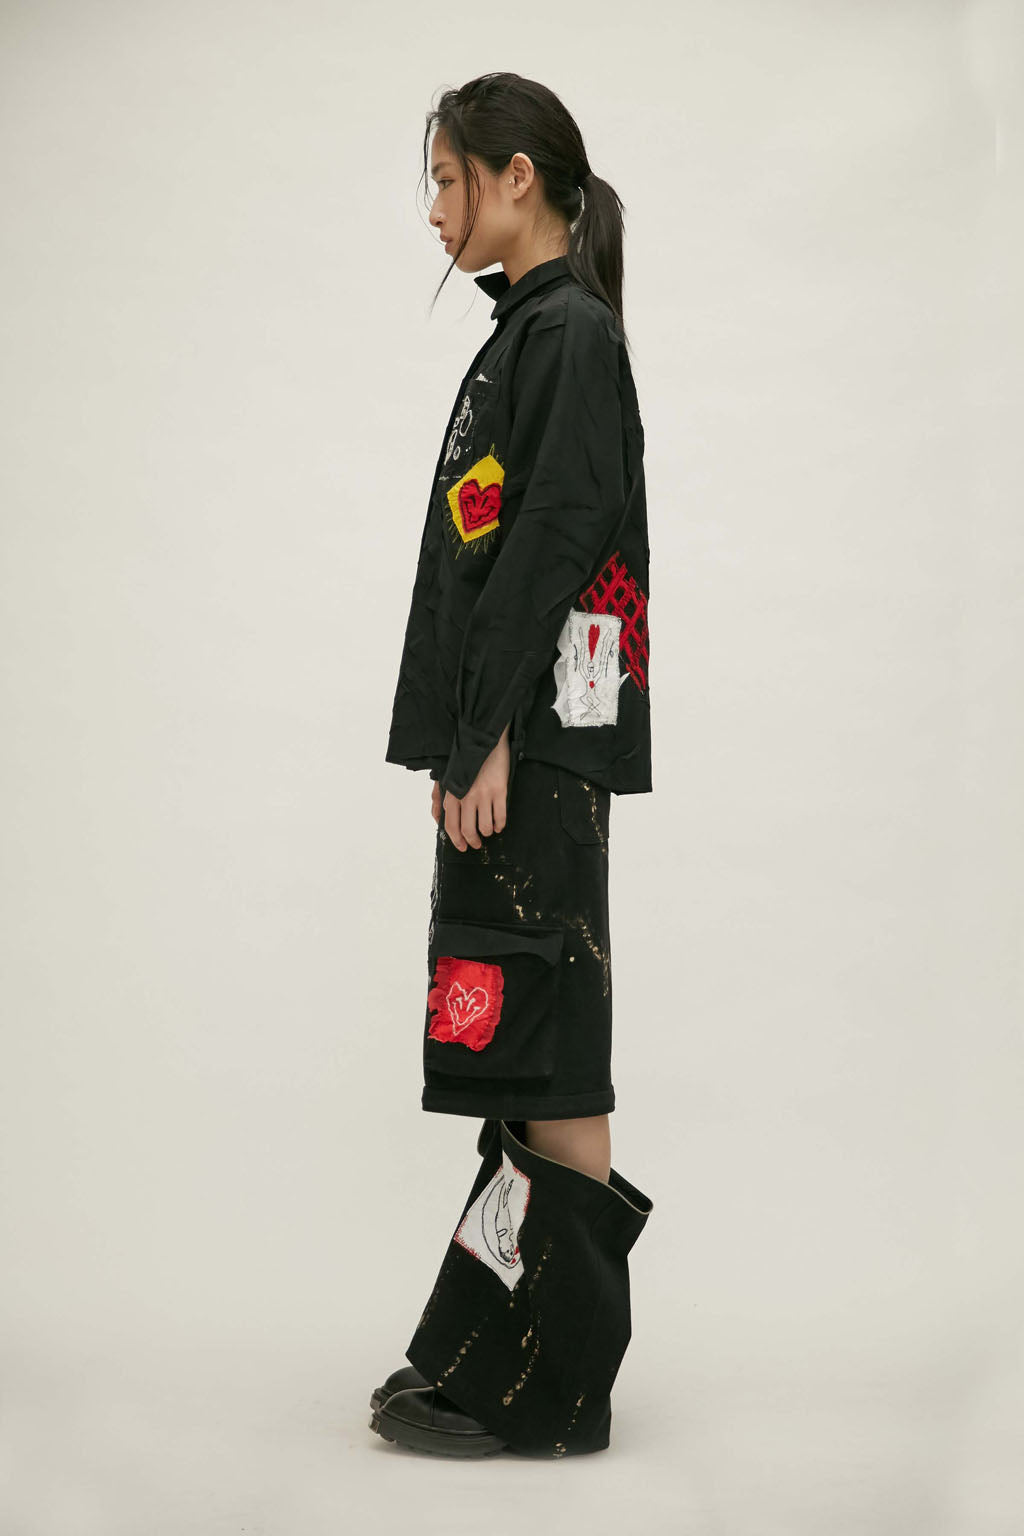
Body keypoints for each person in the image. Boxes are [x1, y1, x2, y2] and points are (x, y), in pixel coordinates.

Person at [370, 72, 655, 1459]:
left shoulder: (570, 335)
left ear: (517, 176)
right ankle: (505, 1357)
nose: (435, 210)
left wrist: (485, 733)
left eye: (448, 178)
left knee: (558, 1053)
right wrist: (462, 734)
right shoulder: (530, 332)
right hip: (514, 743)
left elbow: (552, 542)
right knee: (527, 1050)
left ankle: (562, 1388)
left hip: (536, 746)